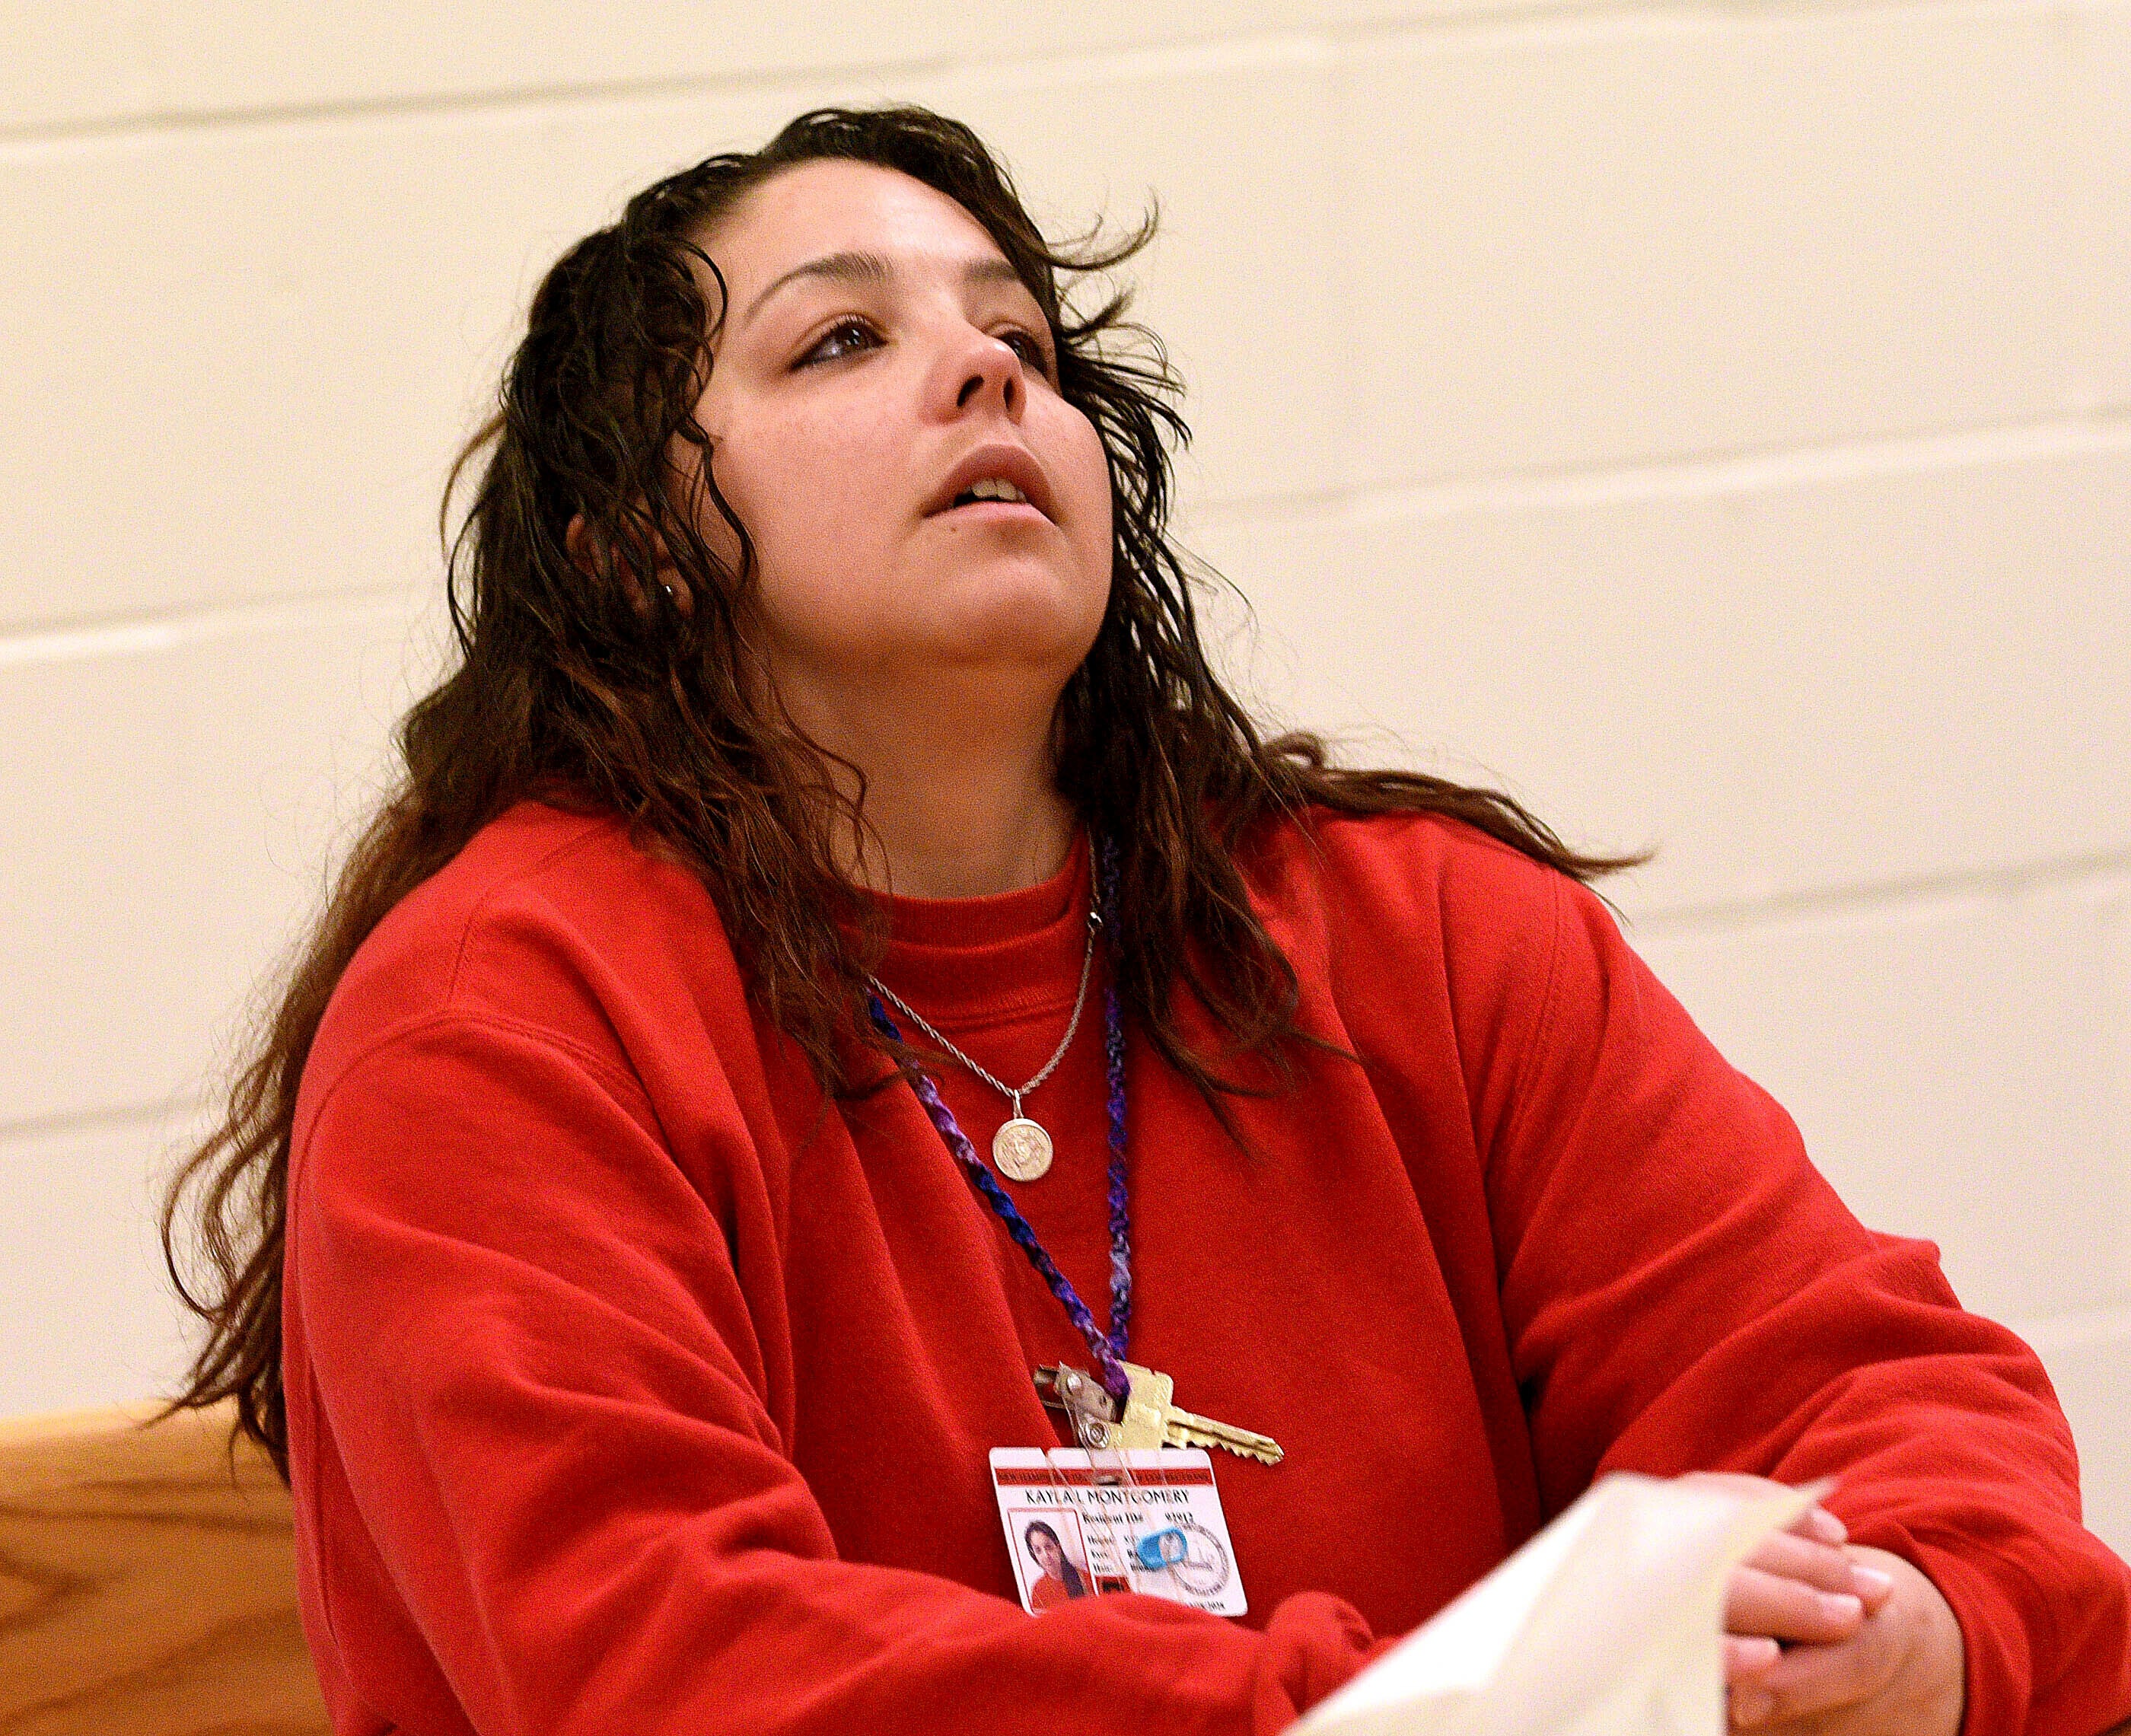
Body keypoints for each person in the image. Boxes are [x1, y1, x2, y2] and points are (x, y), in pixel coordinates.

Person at [161, 105, 2131, 1736]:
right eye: (838, 341)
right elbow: (669, 1675)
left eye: (1022, 333)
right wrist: (1464, 1696)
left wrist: (1925, 1629)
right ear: (630, 548)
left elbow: (1874, 1394)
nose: (984, 365)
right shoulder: (503, 1019)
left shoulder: (1421, 931)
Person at [1024, 1521, 1091, 1610]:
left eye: (1048, 1547)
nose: (1046, 1555)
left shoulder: (1084, 1578)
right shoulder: (1038, 1590)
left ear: (1058, 1547)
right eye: (1038, 1550)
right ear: (1034, 1555)